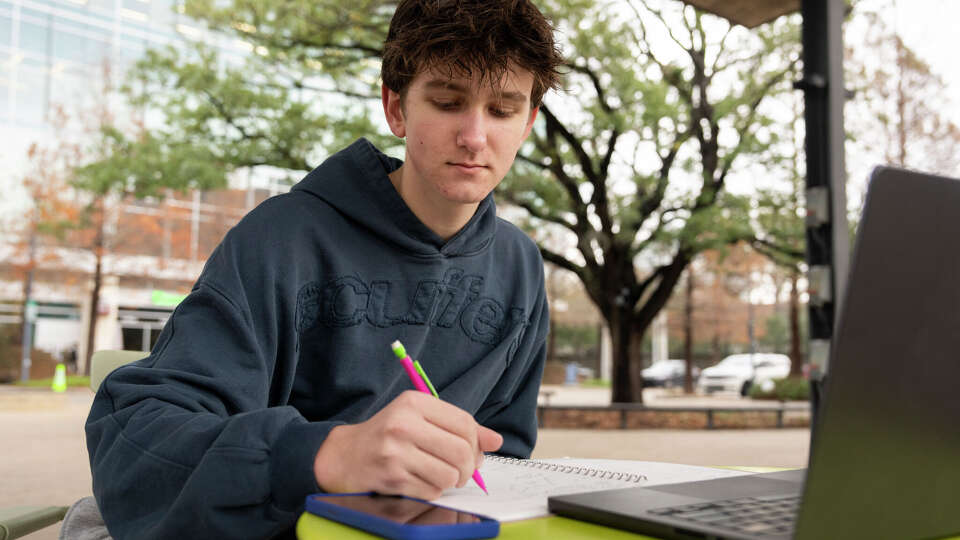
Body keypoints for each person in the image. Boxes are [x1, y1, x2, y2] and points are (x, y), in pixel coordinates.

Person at [85, 1, 564, 538]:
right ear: (396, 108)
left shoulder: (521, 265)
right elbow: (133, 440)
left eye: (502, 110)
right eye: (448, 102)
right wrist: (324, 455)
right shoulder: (281, 237)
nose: (475, 137)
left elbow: (505, 453)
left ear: (527, 125)